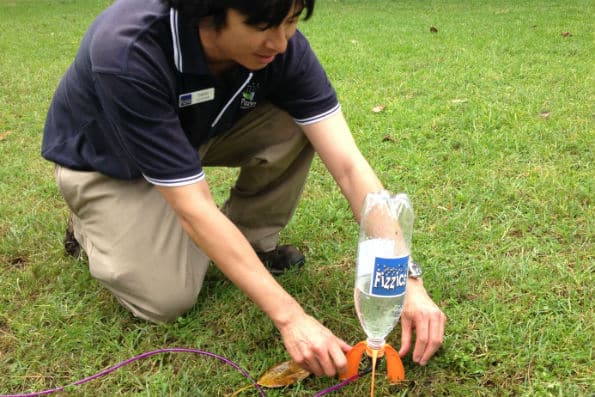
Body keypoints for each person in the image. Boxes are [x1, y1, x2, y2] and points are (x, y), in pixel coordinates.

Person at [42, 0, 446, 377]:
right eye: (261, 26)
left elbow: (347, 163)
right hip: (108, 164)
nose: (280, 41)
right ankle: (89, 228)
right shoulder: (128, 49)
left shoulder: (281, 45)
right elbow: (194, 207)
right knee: (166, 299)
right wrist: (291, 318)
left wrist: (404, 278)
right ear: (208, 10)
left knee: (300, 124)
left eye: (290, 22)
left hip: (192, 136)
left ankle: (248, 241)